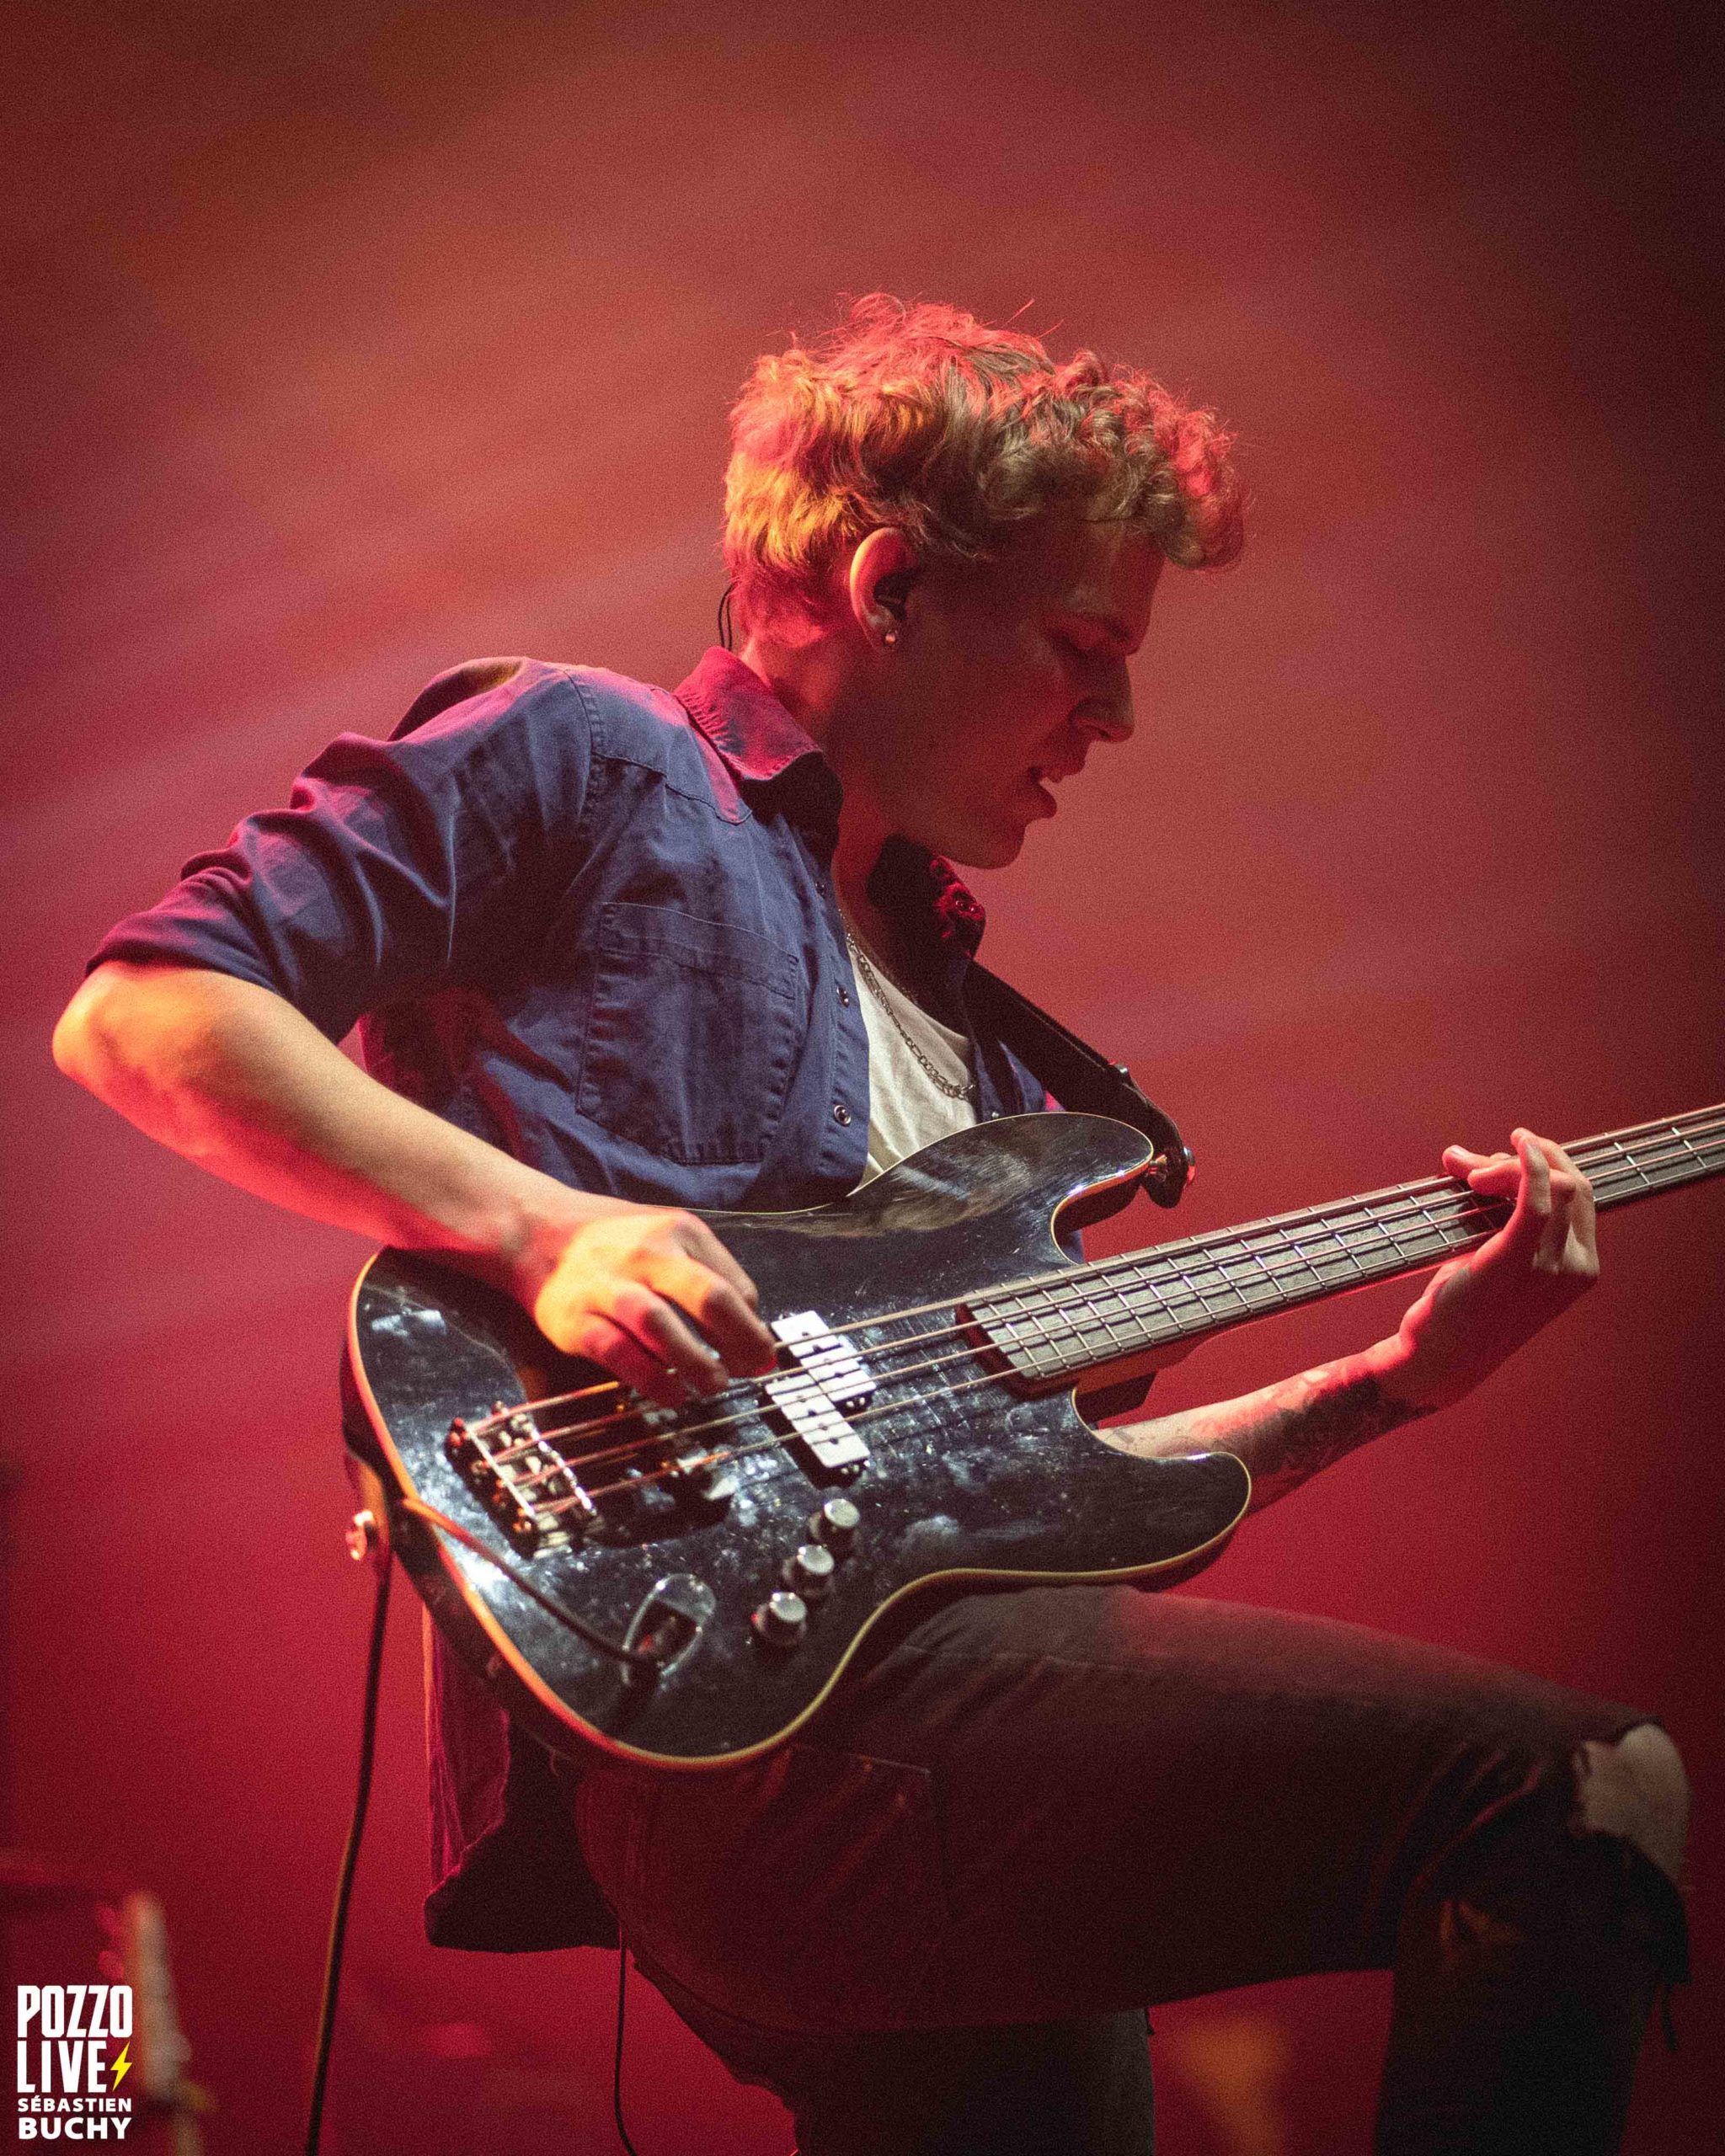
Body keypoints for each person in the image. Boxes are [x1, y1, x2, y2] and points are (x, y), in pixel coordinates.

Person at [55, 297, 1688, 2154]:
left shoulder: (982, 1055)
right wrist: (546, 1232)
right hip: (727, 1725)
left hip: (935, 1723)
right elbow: (144, 1010)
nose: (1120, 716)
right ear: (889, 586)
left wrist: (1390, 1381)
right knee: (1567, 1791)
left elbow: (1037, 1513)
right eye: (1086, 646)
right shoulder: (594, 759)